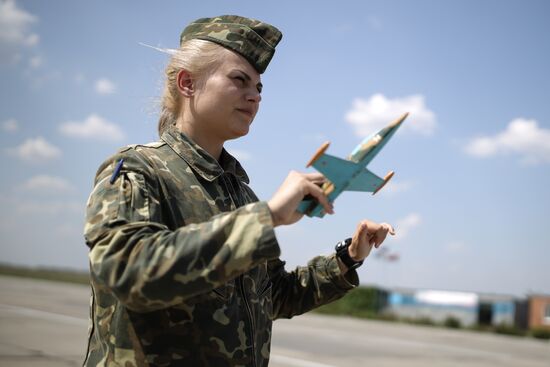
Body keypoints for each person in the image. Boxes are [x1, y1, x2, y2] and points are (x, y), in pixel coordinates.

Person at [83, 15, 394, 367]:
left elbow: (273, 296)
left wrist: (348, 258)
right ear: (187, 83)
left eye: (259, 88)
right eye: (239, 80)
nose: (254, 97)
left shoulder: (241, 197)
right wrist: (268, 217)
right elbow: (127, 272)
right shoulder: (138, 171)